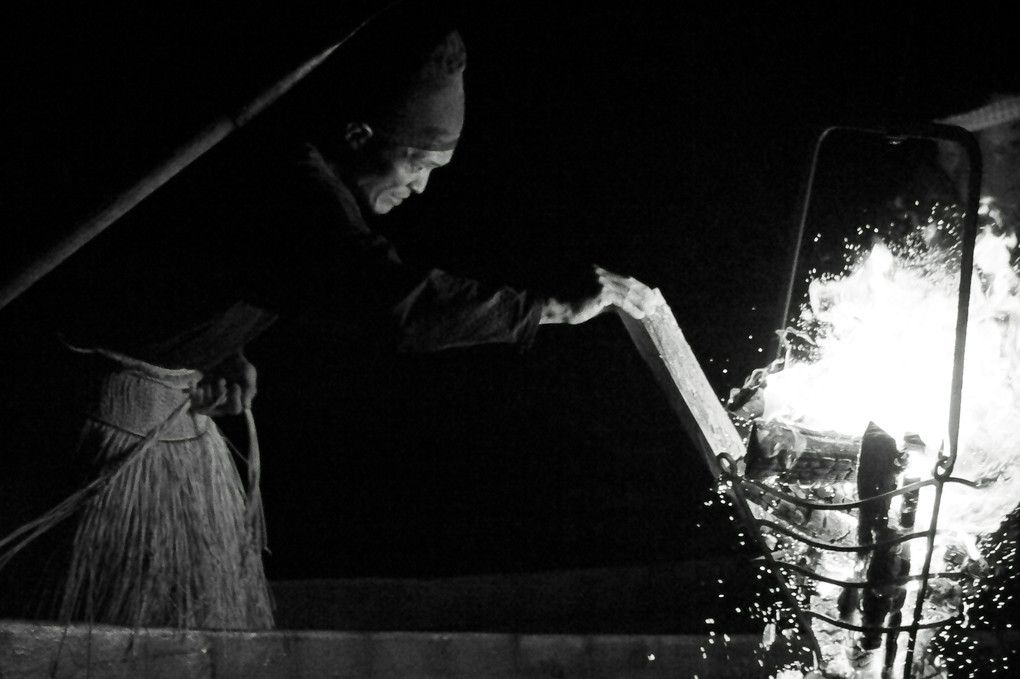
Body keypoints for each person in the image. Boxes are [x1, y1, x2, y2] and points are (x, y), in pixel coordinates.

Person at [0, 10, 661, 631]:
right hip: (97, 437)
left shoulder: (297, 178)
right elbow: (394, 303)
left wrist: (217, 351)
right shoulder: (289, 183)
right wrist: (550, 307)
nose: (421, 188)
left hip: (155, 409)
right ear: (358, 136)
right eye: (419, 164)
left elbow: (197, 287)